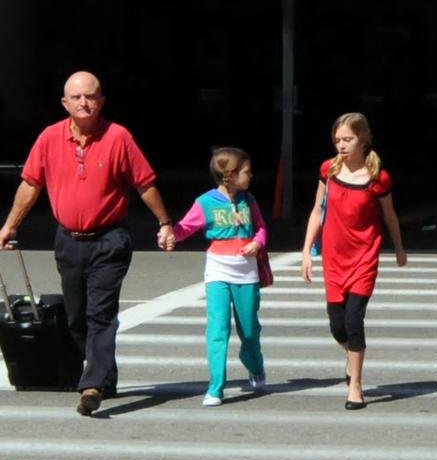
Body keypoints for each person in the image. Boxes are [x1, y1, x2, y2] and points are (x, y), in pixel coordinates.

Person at [0, 71, 175, 416]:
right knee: (77, 317)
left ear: (101, 101)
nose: (84, 103)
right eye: (77, 97)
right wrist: (9, 225)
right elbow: (31, 185)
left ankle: (91, 384)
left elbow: (144, 183)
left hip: (109, 239)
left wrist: (165, 222)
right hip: (68, 242)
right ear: (65, 103)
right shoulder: (49, 138)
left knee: (101, 315)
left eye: (91, 96)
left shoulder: (118, 136)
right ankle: (105, 375)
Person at [301, 113, 407, 410]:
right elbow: (316, 211)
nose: (342, 145)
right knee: (337, 327)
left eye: (347, 139)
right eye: (337, 140)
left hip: (363, 257)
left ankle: (356, 386)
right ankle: (352, 358)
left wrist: (399, 247)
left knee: (353, 320)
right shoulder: (329, 170)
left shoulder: (377, 178)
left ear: (363, 139)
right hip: (334, 259)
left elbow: (389, 216)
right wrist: (307, 252)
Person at [163, 147, 268, 406]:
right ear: (229, 176)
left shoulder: (249, 200)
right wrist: (170, 235)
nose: (250, 175)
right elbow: (186, 226)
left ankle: (254, 365)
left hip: (246, 273)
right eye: (246, 171)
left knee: (249, 331)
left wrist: (257, 242)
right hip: (217, 270)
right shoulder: (205, 202)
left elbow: (261, 228)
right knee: (217, 330)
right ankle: (216, 386)